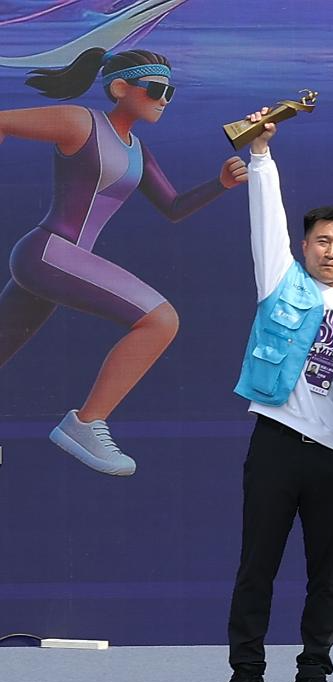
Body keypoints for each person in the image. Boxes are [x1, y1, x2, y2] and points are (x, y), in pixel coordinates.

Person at [0, 47, 247, 476]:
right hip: (50, 252)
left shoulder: (137, 151)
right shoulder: (80, 122)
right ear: (120, 88)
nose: (164, 99)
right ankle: (86, 423)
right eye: (154, 88)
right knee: (160, 320)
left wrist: (220, 184)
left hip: (58, 261)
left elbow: (173, 207)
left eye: (169, 91)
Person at [214, 111, 333, 682]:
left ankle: (313, 672)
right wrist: (261, 155)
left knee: (328, 571)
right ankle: (246, 672)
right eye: (322, 241)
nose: (331, 251)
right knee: (256, 564)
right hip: (277, 442)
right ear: (305, 245)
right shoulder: (279, 282)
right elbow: (266, 220)